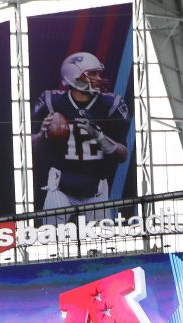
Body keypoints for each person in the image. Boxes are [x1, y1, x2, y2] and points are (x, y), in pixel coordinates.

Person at [30, 51, 130, 222]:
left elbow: (123, 155)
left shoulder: (111, 104)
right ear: (74, 77)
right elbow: (27, 147)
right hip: (60, 184)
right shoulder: (52, 102)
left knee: (101, 243)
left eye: (98, 73)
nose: (98, 78)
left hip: (96, 186)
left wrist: (99, 137)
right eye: (92, 74)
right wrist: (42, 134)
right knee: (52, 239)